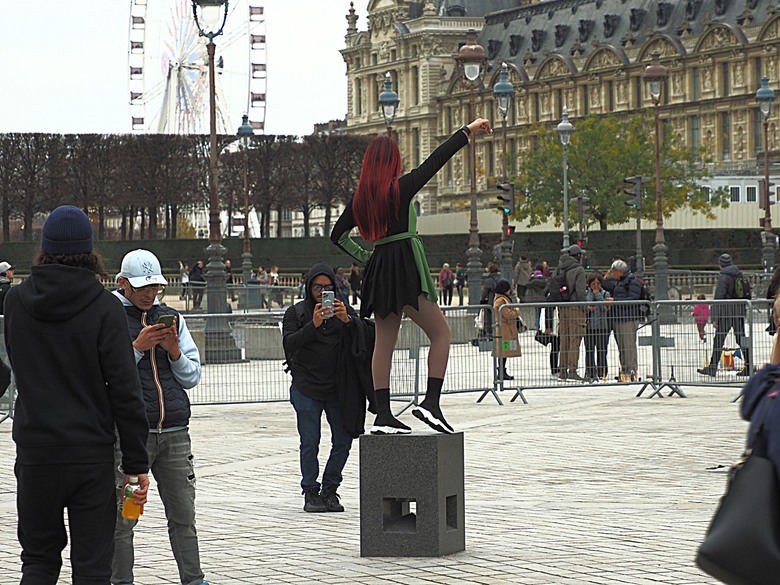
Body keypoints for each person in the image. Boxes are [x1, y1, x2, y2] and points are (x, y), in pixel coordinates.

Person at [5, 205, 149, 584]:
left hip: (36, 450)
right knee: (92, 567)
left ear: (44, 248)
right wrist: (136, 463)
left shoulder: (16, 302)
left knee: (37, 560)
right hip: (89, 453)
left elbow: (20, 365)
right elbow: (125, 392)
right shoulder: (104, 307)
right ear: (90, 251)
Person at [331, 117, 493, 434]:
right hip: (404, 265)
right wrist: (468, 131)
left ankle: (383, 414)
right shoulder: (400, 189)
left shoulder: (360, 200)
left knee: (384, 345)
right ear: (393, 162)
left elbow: (338, 236)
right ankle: (431, 403)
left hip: (379, 271)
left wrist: (368, 255)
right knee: (441, 334)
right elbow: (437, 159)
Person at [111, 249, 207, 585]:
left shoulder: (171, 318)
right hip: (129, 437)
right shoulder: (108, 317)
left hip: (175, 432)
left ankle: (194, 580)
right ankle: (121, 581)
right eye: (142, 288)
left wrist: (175, 352)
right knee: (124, 519)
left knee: (184, 515)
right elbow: (103, 377)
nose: (150, 295)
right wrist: (136, 348)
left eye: (155, 288)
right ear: (123, 283)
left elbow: (192, 377)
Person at [282, 262, 374, 512]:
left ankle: (330, 488)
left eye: (327, 287)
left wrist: (348, 322)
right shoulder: (296, 313)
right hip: (306, 387)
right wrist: (312, 325)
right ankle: (310, 490)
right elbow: (289, 343)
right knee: (310, 441)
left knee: (343, 440)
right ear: (308, 287)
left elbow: (365, 335)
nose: (322, 292)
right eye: (317, 287)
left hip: (339, 389)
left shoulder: (344, 311)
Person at [698, 253, 751, 377]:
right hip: (738, 312)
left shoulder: (723, 277)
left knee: (718, 340)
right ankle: (748, 366)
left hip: (726, 313)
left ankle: (712, 368)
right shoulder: (740, 274)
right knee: (741, 339)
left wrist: (715, 318)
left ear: (720, 265)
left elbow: (719, 298)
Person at [602, 258, 643, 382]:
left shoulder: (632, 281)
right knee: (622, 346)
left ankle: (631, 371)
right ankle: (624, 370)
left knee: (628, 346)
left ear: (619, 271)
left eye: (614, 271)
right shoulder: (619, 281)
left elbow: (633, 298)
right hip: (619, 317)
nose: (612, 274)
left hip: (628, 318)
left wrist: (615, 301)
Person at [552, 244, 587, 381]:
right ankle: (572, 369)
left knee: (564, 339)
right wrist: (584, 308)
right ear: (578, 256)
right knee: (575, 338)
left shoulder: (559, 268)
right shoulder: (578, 270)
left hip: (562, 307)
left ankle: (562, 370)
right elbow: (580, 291)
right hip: (575, 307)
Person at [584, 274, 611, 383]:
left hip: (602, 326)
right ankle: (590, 371)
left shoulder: (605, 293)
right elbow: (587, 303)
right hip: (589, 327)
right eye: (593, 284)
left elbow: (605, 307)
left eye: (598, 283)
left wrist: (598, 294)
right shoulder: (586, 294)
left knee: (602, 350)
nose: (596, 286)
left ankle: (602, 372)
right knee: (589, 350)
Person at [492, 279, 521, 381]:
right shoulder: (501, 300)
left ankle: (502, 371)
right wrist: (517, 312)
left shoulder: (502, 298)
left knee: (505, 352)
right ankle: (501, 372)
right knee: (503, 351)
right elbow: (508, 314)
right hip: (504, 331)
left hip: (506, 330)